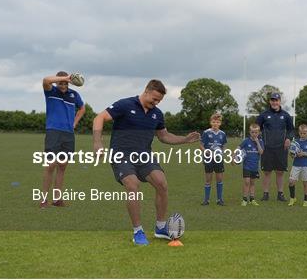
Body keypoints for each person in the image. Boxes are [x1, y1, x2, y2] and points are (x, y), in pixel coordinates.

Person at [92, 79, 200, 245]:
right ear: (147, 91)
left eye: (159, 101)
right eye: (154, 99)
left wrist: (184, 140)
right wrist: (98, 142)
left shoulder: (157, 114)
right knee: (133, 185)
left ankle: (161, 227)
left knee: (161, 183)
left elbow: (164, 136)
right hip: (121, 154)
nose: (156, 103)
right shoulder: (125, 104)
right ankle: (138, 231)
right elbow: (99, 118)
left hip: (144, 156)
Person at [40, 71, 86, 208]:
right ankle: (43, 200)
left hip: (68, 134)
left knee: (62, 167)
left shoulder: (74, 95)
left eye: (66, 83)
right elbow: (45, 80)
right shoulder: (50, 91)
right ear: (57, 81)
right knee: (50, 165)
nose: (64, 85)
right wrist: (65, 77)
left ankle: (57, 199)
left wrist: (75, 122)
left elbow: (82, 108)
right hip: (53, 131)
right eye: (61, 82)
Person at [256, 93, 295, 202]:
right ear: (270, 102)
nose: (274, 102)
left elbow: (291, 130)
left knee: (280, 172)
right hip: (267, 148)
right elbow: (256, 128)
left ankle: (280, 194)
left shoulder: (286, 115)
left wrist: (288, 138)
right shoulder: (264, 115)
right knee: (267, 172)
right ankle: (265, 194)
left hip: (281, 148)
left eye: (276, 100)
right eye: (272, 100)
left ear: (280, 101)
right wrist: (258, 139)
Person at [200, 113, 227, 206]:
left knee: (219, 179)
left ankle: (219, 199)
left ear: (220, 123)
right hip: (208, 158)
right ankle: (206, 200)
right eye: (213, 122)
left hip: (218, 159)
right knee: (208, 179)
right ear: (210, 122)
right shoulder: (206, 132)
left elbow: (223, 145)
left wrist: (221, 153)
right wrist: (207, 152)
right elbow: (201, 146)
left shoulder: (222, 134)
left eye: (217, 122)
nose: (215, 123)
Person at [288, 124, 307, 207]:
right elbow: (292, 155)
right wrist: (293, 154)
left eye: (304, 133)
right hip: (296, 165)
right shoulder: (295, 142)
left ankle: (306, 200)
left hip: (306, 166)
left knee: (305, 184)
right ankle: (292, 198)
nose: (303, 135)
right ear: (299, 133)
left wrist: (304, 154)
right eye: (301, 133)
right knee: (291, 182)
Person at [237, 123, 264, 206]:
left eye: (256, 132)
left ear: (259, 132)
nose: (254, 134)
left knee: (252, 183)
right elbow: (239, 148)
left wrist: (257, 142)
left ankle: (252, 199)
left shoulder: (260, 141)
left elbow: (261, 152)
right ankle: (244, 199)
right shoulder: (246, 141)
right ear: (250, 132)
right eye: (252, 132)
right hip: (246, 166)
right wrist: (234, 156)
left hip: (255, 166)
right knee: (246, 182)